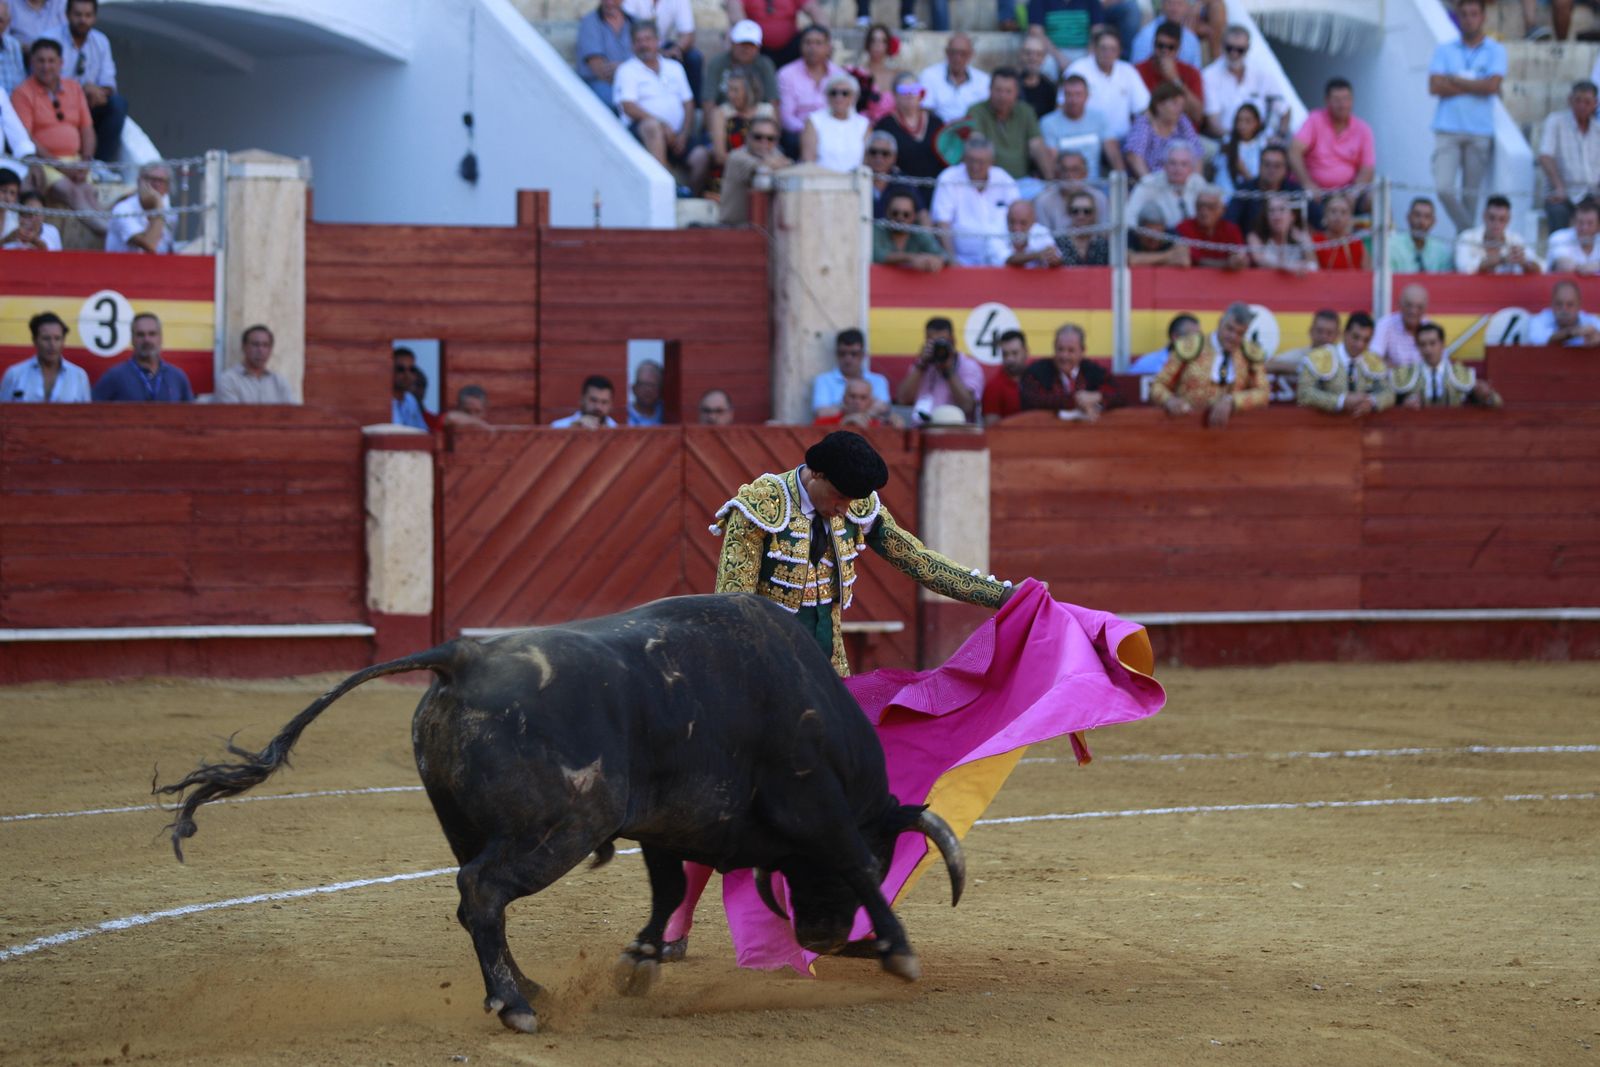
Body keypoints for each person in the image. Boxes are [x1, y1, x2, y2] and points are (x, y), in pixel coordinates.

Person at [1428, 0, 1505, 233]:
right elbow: (1434, 86)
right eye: (1464, 14)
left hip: (1479, 131)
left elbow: (1492, 86)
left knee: (1471, 197)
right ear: (1458, 17)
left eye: (1474, 14)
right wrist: (1476, 84)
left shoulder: (1496, 50)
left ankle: (1466, 242)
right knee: (1444, 188)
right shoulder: (1445, 49)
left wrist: (1455, 79)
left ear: (1482, 17)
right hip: (1447, 128)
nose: (1469, 19)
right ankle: (1471, 234)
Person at [11, 36, 99, 228]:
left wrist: (85, 161)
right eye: (41, 61)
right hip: (45, 163)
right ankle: (108, 232)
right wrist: (60, 166)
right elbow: (26, 138)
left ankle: (109, 235)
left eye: (51, 61)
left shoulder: (74, 88)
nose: (46, 66)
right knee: (72, 191)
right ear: (32, 63)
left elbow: (87, 128)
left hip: (76, 161)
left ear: (61, 63)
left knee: (89, 192)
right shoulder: (22, 93)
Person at [1148, 301, 1267, 428]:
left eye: (1240, 333)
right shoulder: (1191, 346)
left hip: (1231, 430)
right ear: (1220, 322)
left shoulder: (1249, 354)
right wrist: (1169, 400)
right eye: (1229, 328)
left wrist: (1232, 401)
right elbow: (1157, 386)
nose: (1233, 337)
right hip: (1187, 426)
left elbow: (1263, 393)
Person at [615, 22, 696, 177]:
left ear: (658, 41)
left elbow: (688, 103)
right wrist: (662, 124)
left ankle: (687, 189)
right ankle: (664, 182)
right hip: (642, 132)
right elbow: (628, 106)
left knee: (701, 157)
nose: (643, 44)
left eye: (648, 39)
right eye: (638, 40)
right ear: (632, 45)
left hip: (677, 134)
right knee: (652, 126)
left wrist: (684, 134)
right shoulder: (626, 70)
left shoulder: (674, 67)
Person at [930, 135, 1019, 267]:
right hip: (962, 262)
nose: (975, 166)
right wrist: (953, 262)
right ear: (964, 159)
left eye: (981, 162)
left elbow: (1020, 215)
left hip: (1003, 260)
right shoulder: (948, 178)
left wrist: (1017, 257)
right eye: (971, 161)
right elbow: (942, 224)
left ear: (991, 162)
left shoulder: (1003, 179)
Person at [1289, 78, 1375, 208]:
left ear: (1352, 100)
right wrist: (1307, 183)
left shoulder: (1363, 129)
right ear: (1327, 101)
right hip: (1315, 194)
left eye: (1346, 99)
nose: (1342, 105)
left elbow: (1367, 168)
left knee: (1376, 201)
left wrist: (1354, 193)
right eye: (1336, 100)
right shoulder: (1314, 120)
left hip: (1347, 194)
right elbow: (1294, 151)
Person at [1296, 310, 1394, 417]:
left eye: (1366, 340)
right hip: (1325, 422)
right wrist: (1341, 401)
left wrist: (1372, 402)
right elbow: (1304, 393)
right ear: (1345, 333)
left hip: (1361, 423)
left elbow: (1389, 393)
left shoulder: (1373, 361)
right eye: (1355, 337)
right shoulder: (1319, 356)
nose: (1360, 345)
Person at [58, 0, 123, 162]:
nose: (83, 20)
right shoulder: (52, 39)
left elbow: (109, 82)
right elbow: (48, 80)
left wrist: (97, 91)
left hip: (91, 101)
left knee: (118, 104)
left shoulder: (101, 41)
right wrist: (82, 90)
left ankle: (102, 164)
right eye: (78, 15)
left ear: (94, 17)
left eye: (88, 15)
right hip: (60, 101)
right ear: (67, 15)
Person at [1202, 25, 1289, 141]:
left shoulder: (1262, 72)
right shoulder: (1209, 75)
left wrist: (1280, 136)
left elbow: (1284, 110)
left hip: (1263, 141)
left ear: (1247, 49)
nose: (1234, 54)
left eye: (1240, 50)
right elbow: (1213, 123)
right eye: (1229, 48)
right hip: (1227, 140)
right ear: (1222, 46)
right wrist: (1238, 141)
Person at [964, 67, 1051, 181]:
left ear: (1017, 93)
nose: (1002, 96)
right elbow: (976, 143)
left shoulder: (1026, 111)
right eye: (998, 90)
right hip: (990, 182)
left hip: (1022, 182)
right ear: (989, 90)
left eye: (1008, 91)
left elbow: (1037, 146)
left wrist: (1050, 180)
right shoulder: (976, 111)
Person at [692, 68, 767, 198]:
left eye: (735, 90)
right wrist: (753, 166)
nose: (730, 94)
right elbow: (720, 156)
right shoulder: (721, 112)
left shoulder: (766, 111)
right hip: (729, 174)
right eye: (729, 89)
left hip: (762, 172)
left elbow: (772, 148)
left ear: (749, 91)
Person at [1538, 80, 1600, 234]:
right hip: (1563, 193)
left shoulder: (1598, 129)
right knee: (1558, 212)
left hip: (1592, 194)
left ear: (1595, 104)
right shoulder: (1556, 121)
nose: (1582, 106)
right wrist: (1559, 187)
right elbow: (1545, 156)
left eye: (1587, 102)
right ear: (1570, 100)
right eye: (1578, 100)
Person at [895, 315, 985, 421]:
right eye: (934, 343)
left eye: (942, 342)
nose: (938, 349)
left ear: (953, 340)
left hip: (954, 428)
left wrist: (948, 371)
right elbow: (902, 399)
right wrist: (921, 365)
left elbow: (968, 406)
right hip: (921, 426)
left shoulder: (968, 366)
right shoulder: (921, 365)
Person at [1066, 27, 1148, 142]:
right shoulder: (1077, 69)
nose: (1108, 53)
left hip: (1122, 140)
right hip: (1087, 139)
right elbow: (1063, 106)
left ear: (1119, 51)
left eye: (1113, 49)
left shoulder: (1128, 71)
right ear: (1094, 49)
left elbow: (1143, 110)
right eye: (1103, 48)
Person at [1018, 322, 1117, 418]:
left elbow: (1118, 394)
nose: (1064, 356)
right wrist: (1076, 401)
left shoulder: (1094, 371)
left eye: (1071, 350)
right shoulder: (1037, 372)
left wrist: (1097, 396)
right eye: (1060, 349)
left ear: (1082, 351)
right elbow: (1032, 399)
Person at [1394, 322, 1502, 408]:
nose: (1428, 349)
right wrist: (1402, 405)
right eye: (1423, 344)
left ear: (1442, 344)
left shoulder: (1460, 373)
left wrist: (1488, 397)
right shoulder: (1406, 374)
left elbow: (1496, 403)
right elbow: (1390, 399)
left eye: (1432, 343)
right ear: (1417, 347)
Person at [90, 312, 193, 402]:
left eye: (152, 334)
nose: (146, 340)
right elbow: (94, 412)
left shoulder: (177, 377)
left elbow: (190, 415)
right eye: (140, 334)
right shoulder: (114, 376)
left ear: (161, 338)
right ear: (132, 339)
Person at [1038, 73, 1123, 179]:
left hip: (1095, 183)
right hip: (1064, 183)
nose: (1073, 100)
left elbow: (1113, 152)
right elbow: (1051, 161)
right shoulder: (1048, 123)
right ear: (1063, 97)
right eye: (1069, 95)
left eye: (1078, 94)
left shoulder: (1099, 118)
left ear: (1087, 96)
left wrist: (1121, 179)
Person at [777, 26, 846, 154]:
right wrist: (810, 131)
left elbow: (844, 110)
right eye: (808, 43)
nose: (812, 48)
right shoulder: (787, 74)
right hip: (799, 133)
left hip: (833, 131)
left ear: (828, 47)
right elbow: (786, 117)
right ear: (801, 46)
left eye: (818, 43)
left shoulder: (839, 75)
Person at [718, 113, 791, 225]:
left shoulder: (776, 155)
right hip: (734, 227)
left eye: (770, 138)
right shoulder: (736, 157)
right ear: (748, 137)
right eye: (758, 137)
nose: (764, 142)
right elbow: (761, 168)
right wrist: (783, 163)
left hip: (763, 229)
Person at [622, 0, 701, 102]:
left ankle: (694, 103)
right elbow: (626, 26)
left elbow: (688, 34)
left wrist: (676, 49)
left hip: (662, 46)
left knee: (693, 58)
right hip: (636, 44)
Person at [1, 310, 88, 402]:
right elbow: (3, 409)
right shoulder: (15, 375)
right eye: (46, 338)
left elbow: (87, 410)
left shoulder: (79, 376)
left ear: (63, 341)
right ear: (34, 340)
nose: (52, 344)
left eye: (57, 338)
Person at [1123, 81, 1203, 179]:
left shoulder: (1182, 120)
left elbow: (1196, 152)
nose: (1179, 109)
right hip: (1153, 179)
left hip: (1181, 180)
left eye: (1181, 105)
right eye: (1174, 104)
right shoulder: (1144, 123)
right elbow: (1134, 156)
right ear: (1159, 105)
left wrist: (1195, 181)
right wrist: (1150, 182)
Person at [874, 72, 945, 181]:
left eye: (914, 89)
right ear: (894, 95)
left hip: (936, 185)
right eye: (903, 90)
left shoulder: (936, 122)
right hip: (900, 187)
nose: (910, 93)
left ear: (920, 93)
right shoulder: (885, 125)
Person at [1134, 21, 1205, 129]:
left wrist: (1175, 79)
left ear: (1178, 49)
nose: (1164, 51)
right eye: (1160, 46)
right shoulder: (1137, 71)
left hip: (1184, 135)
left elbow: (1197, 116)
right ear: (1153, 44)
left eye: (1170, 47)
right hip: (1149, 131)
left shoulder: (1192, 73)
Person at [812, 327, 892, 420]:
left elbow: (883, 408)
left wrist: (844, 409)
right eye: (842, 354)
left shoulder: (878, 381)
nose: (848, 359)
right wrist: (864, 410)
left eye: (854, 354)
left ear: (863, 355)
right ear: (836, 354)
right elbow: (821, 412)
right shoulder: (824, 380)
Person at [1455, 194, 1543, 275]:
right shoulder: (1467, 237)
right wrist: (1502, 259)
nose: (1496, 224)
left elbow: (1542, 267)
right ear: (1484, 216)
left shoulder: (1515, 239)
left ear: (1508, 220)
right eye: (1492, 218)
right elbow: (1463, 268)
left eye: (1502, 219)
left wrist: (1524, 262)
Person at [725, 0, 827, 70]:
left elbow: (815, 11)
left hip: (790, 47)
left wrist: (824, 36)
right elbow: (735, 14)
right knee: (736, 35)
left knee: (813, 41)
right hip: (758, 48)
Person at [1224, 143, 1300, 235]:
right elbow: (1229, 223)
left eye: (1277, 166)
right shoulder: (1245, 191)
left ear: (1286, 169)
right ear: (1259, 166)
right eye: (1267, 164)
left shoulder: (1295, 192)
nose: (1272, 170)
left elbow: (1314, 221)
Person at [703, 20, 779, 110]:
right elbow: (708, 100)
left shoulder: (765, 65)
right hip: (725, 112)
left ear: (758, 47)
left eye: (751, 44)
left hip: (757, 113)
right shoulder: (717, 63)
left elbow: (773, 100)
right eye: (742, 44)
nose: (746, 49)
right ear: (732, 43)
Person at [1125, 140, 1201, 229]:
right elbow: (1130, 217)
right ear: (1164, 165)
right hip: (1159, 236)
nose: (1178, 169)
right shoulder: (1149, 183)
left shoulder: (1198, 183)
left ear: (1191, 168)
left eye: (1184, 164)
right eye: (1173, 163)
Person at [801, 74, 869, 172]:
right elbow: (808, 161)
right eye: (834, 93)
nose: (839, 97)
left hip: (855, 179)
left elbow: (867, 161)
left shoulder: (863, 124)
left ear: (854, 97)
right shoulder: (814, 120)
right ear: (827, 96)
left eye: (845, 93)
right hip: (821, 179)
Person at [919, 32, 990, 125]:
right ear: (946, 53)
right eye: (953, 53)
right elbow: (925, 110)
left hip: (973, 129)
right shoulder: (929, 75)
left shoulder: (983, 80)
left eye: (963, 54)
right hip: (940, 129)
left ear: (971, 54)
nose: (957, 58)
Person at [104, 161, 174, 254]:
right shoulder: (124, 209)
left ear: (167, 187)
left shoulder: (168, 209)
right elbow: (150, 245)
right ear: (140, 181)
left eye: (161, 181)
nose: (156, 184)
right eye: (152, 179)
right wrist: (158, 203)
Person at [214, 324, 294, 404]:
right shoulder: (229, 380)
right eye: (255, 345)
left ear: (270, 350)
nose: (260, 350)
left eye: (265, 345)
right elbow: (232, 412)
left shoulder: (279, 382)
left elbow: (292, 410)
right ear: (244, 347)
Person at [575, 0, 633, 108]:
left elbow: (647, 61)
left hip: (632, 83)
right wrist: (631, 72)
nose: (609, 2)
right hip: (600, 83)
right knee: (616, 101)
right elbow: (599, 70)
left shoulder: (634, 22)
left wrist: (622, 68)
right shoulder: (590, 23)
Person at [1174, 182, 1245, 268]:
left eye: (1211, 207)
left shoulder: (1231, 229)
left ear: (1222, 210)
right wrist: (1227, 264)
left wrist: (1237, 259)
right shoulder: (1184, 228)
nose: (1204, 212)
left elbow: (1239, 256)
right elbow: (1196, 260)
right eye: (1200, 206)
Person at [874, 191, 947, 271]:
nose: (900, 218)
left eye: (906, 214)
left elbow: (945, 256)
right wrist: (911, 258)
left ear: (914, 216)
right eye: (895, 213)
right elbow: (875, 255)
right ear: (887, 213)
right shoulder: (878, 229)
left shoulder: (919, 232)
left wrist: (936, 260)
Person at [1246, 192, 1316, 275]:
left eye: (1282, 210)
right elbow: (1259, 260)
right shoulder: (1255, 236)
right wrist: (1287, 266)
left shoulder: (1301, 237)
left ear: (1292, 216)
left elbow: (1314, 267)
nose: (1276, 216)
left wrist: (1305, 242)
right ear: (1266, 216)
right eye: (1271, 211)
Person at [1023, 0, 1102, 69]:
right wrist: (1059, 58)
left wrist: (1088, 57)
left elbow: (1097, 30)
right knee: (1047, 64)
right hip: (1051, 51)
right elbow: (1036, 31)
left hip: (1084, 51)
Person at [1387, 197, 1455, 274]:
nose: (1421, 222)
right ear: (1408, 217)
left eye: (1427, 217)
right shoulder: (1391, 246)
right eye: (1417, 215)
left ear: (1433, 221)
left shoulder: (1442, 252)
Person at [1525, 279, 1600, 347]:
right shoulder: (1539, 320)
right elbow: (1536, 340)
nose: (1564, 309)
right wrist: (1572, 333)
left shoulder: (1592, 322)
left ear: (1579, 306)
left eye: (1570, 304)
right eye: (1559, 304)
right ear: (1552, 304)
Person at [1370, 283, 1430, 368]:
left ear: (1425, 308)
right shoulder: (1385, 324)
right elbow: (1374, 358)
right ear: (1400, 304)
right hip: (1390, 377)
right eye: (1409, 305)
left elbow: (1437, 363)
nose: (1413, 311)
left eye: (1419, 307)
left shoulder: (1430, 328)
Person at [850, 23, 900, 123]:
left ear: (888, 45)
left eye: (883, 41)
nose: (878, 45)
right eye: (873, 40)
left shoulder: (896, 74)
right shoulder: (857, 73)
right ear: (867, 44)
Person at [866, 132, 923, 221]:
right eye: (873, 152)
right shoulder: (856, 179)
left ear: (894, 157)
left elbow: (922, 213)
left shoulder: (904, 182)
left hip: (893, 230)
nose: (878, 158)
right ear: (866, 154)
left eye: (885, 153)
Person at [990, 198, 1061, 267]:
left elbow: (1057, 259)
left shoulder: (1041, 232)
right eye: (1012, 222)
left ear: (1033, 222)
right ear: (1006, 219)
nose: (1016, 228)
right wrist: (1037, 255)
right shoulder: (995, 233)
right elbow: (1007, 260)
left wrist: (1053, 259)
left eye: (1023, 223)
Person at [1267, 307, 1339, 374]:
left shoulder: (1341, 358)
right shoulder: (1301, 354)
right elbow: (1268, 364)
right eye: (1319, 331)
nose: (1324, 336)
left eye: (1329, 333)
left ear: (1337, 335)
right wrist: (1302, 368)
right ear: (1311, 331)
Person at [1131, 0, 1202, 67]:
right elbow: (1137, 70)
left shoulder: (1192, 39)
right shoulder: (1146, 35)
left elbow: (1196, 71)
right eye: (1170, 3)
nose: (1175, 9)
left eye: (1179, 4)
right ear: (1162, 5)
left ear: (1187, 8)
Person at [1215, 102, 1264, 197]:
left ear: (1257, 123)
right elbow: (1220, 175)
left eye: (1247, 121)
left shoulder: (1262, 145)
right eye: (1239, 120)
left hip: (1250, 195)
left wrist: (1243, 171)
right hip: (1225, 194)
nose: (1242, 125)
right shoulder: (1227, 143)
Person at [814, 377, 904, 427]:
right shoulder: (823, 423)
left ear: (871, 401)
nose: (857, 401)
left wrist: (898, 429)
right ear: (844, 399)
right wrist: (842, 426)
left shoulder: (881, 425)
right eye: (852, 396)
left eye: (863, 398)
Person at [1129, 311, 1200, 373]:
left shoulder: (1202, 364)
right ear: (1175, 337)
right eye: (1192, 337)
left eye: (1199, 337)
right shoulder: (1147, 364)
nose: (1198, 341)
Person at [983, 328, 1028, 423]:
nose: (1010, 359)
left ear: (1026, 351)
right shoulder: (993, 388)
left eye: (1015, 353)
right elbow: (992, 428)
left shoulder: (1038, 380)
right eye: (1005, 354)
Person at [1126, 200, 1191, 265]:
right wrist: (1168, 255)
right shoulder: (1131, 236)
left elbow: (1184, 260)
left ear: (1163, 228)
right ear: (1140, 231)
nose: (1154, 239)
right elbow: (1131, 260)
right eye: (1150, 234)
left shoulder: (1169, 234)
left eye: (1157, 234)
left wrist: (1145, 260)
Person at [1545, 197, 1600, 274]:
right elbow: (1565, 265)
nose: (1584, 228)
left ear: (1598, 226)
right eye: (1580, 222)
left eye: (1590, 223)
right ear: (1573, 222)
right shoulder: (1559, 237)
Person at [1314, 193, 1365, 271]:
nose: (1338, 216)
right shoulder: (1316, 242)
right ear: (1325, 215)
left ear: (1349, 217)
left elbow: (1367, 273)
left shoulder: (1356, 243)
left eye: (1343, 212)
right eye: (1333, 211)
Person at [1058, 190, 1110, 265]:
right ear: (1069, 213)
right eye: (1075, 211)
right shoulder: (1058, 244)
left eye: (1087, 211)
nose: (1081, 216)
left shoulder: (1104, 244)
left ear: (1094, 214)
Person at [551, 374, 619, 428]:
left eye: (604, 402)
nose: (598, 407)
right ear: (582, 400)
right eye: (593, 400)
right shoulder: (558, 427)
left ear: (611, 405)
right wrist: (574, 428)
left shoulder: (616, 430)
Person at [1018, 33, 1057, 118]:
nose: (1033, 58)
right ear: (1021, 55)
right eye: (1028, 53)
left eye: (1038, 54)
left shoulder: (1049, 88)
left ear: (1043, 58)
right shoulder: (1011, 84)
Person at [387, 348, 428, 428]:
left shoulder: (410, 400)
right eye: (400, 370)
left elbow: (422, 431)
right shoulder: (383, 402)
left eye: (412, 369)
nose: (407, 375)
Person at [628, 359, 664, 424]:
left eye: (652, 385)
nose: (648, 389)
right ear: (634, 388)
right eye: (643, 384)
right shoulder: (625, 413)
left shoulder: (666, 412)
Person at [0, 2, 25, 96]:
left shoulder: (14, 45)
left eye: (0, 21)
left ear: (8, 22)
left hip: (14, 102)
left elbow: (21, 81)